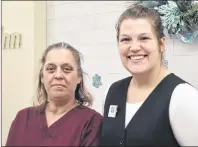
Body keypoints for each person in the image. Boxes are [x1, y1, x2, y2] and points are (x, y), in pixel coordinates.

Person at [100, 4, 198, 146]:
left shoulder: (183, 96)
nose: (134, 47)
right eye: (125, 39)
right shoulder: (111, 93)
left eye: (144, 38)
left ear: (161, 44)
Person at [6, 42, 103, 146]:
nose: (58, 75)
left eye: (66, 69)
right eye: (51, 69)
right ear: (42, 77)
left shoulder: (92, 122)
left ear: (79, 77)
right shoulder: (22, 119)